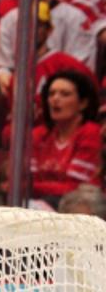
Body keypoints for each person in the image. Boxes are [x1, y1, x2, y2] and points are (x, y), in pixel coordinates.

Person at [30, 70, 102, 206]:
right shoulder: (39, 135)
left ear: (83, 103)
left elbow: (76, 189)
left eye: (65, 94)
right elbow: (25, 182)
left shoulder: (91, 133)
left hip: (79, 207)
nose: (55, 99)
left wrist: (35, 187)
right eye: (51, 94)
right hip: (40, 203)